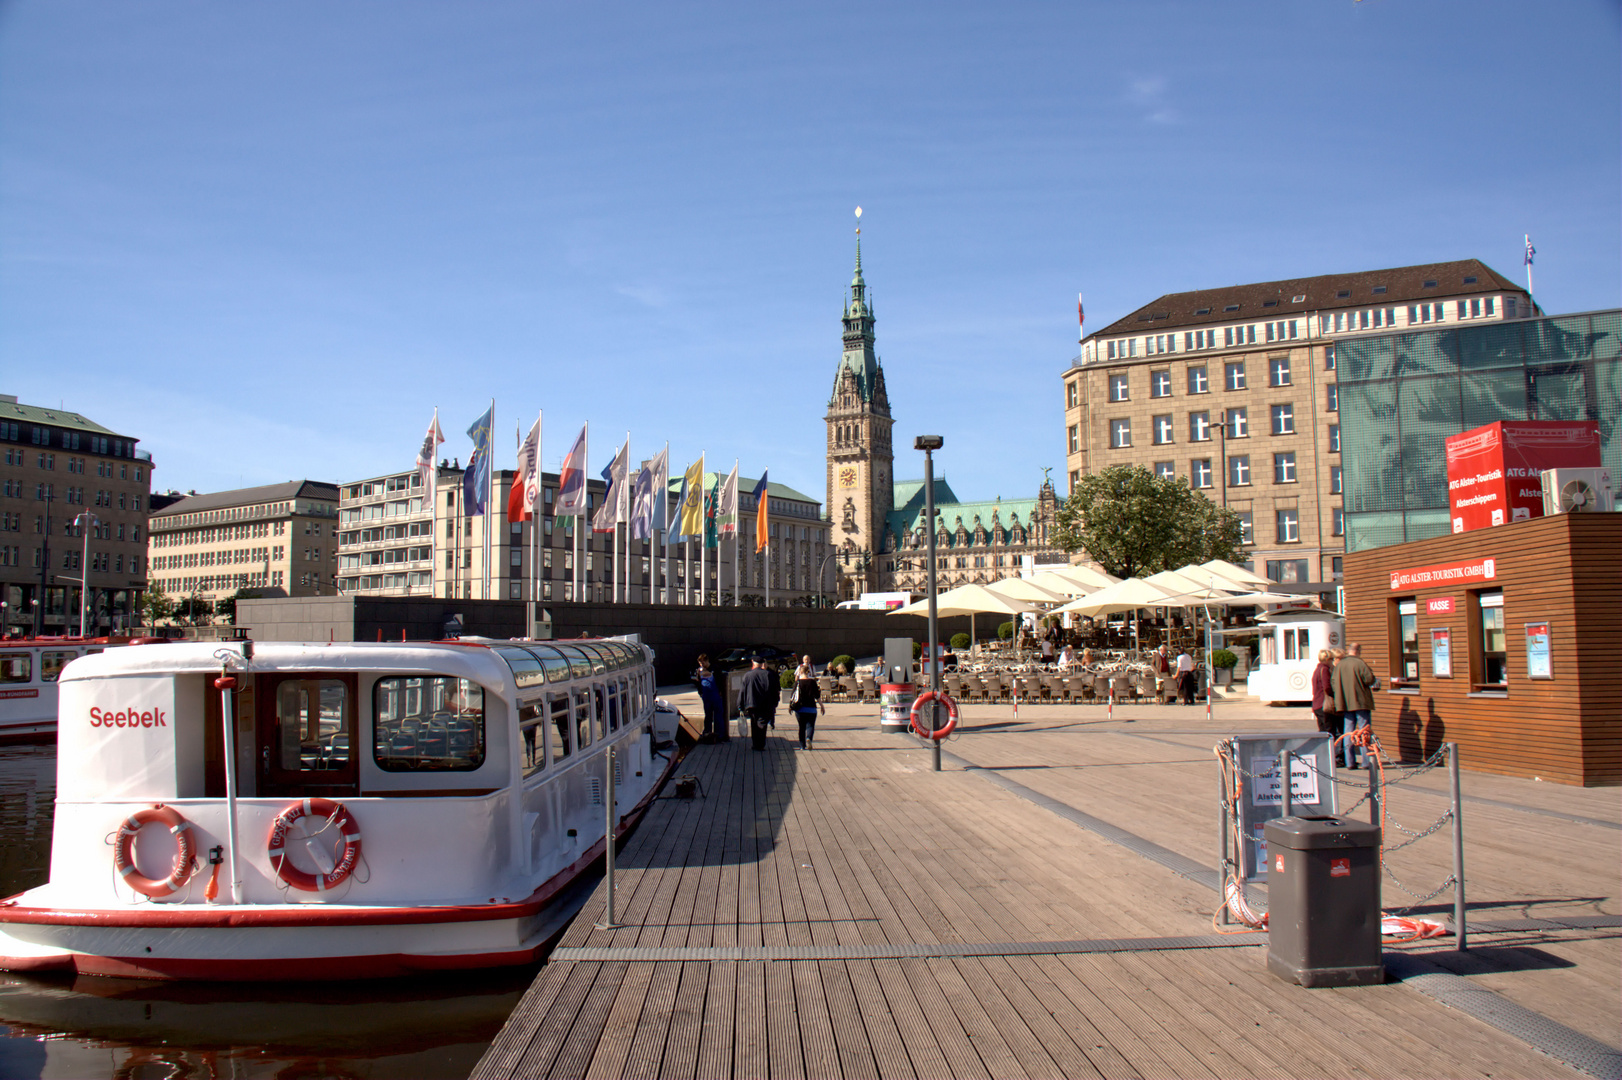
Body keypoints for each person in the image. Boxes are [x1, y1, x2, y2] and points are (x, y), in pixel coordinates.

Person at [1330, 642, 1378, 769]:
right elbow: (1370, 679)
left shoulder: (1340, 665)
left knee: (1348, 731)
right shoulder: (1360, 663)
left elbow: (1333, 683)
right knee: (1363, 731)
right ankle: (1366, 761)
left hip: (1345, 702)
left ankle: (1349, 762)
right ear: (1358, 650)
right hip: (1361, 701)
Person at [736, 659, 776, 751]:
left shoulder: (748, 675)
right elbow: (774, 690)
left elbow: (742, 691)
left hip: (751, 703)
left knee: (754, 723)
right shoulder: (767, 674)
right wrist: (775, 702)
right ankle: (761, 744)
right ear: (762, 664)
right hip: (765, 703)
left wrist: (740, 704)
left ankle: (755, 743)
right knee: (762, 723)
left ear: (753, 663)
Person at [790, 662, 825, 749]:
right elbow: (817, 696)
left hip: (800, 708)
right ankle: (808, 738)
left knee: (801, 727)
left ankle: (802, 746)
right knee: (810, 725)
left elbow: (792, 696)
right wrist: (822, 706)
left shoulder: (797, 683)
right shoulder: (812, 682)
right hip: (811, 708)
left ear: (800, 673)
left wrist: (790, 707)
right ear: (808, 672)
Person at [692, 654, 724, 742]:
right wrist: (700, 693)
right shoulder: (699, 671)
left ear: (707, 661)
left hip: (716, 695)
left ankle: (719, 735)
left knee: (718, 716)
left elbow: (720, 681)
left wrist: (721, 692)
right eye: (700, 663)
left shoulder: (715, 669)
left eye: (703, 663)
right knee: (708, 716)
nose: (702, 665)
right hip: (706, 697)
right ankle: (707, 733)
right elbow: (698, 683)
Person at [1311, 648, 1340, 738]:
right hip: (1324, 705)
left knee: (1322, 732)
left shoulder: (1317, 669)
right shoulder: (1325, 669)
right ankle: (1331, 751)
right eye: (1332, 659)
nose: (1332, 662)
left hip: (1317, 705)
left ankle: (1323, 751)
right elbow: (1327, 687)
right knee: (1330, 732)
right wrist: (1335, 695)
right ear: (1327, 659)